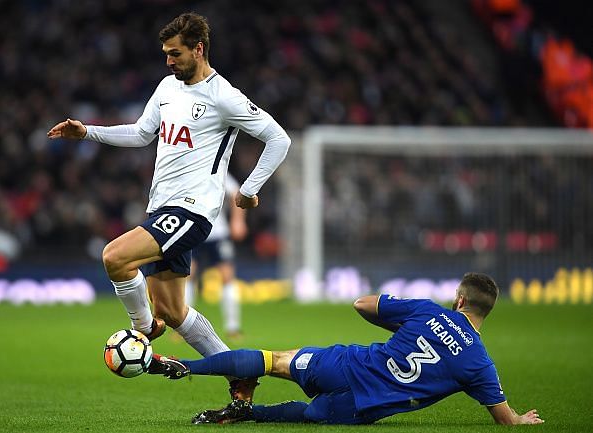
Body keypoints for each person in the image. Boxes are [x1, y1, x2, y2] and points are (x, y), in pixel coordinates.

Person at [47, 12, 290, 403]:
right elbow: (142, 133)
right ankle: (239, 375)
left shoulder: (222, 94)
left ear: (198, 49)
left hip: (193, 209)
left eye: (175, 54)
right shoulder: (166, 87)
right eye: (165, 54)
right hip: (162, 208)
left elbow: (278, 138)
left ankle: (141, 328)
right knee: (174, 311)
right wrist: (88, 131)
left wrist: (247, 190)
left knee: (115, 257)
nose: (168, 61)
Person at [149, 273, 544, 426]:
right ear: (485, 312)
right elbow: (504, 419)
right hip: (359, 406)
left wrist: (393, 318)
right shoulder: (480, 365)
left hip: (343, 365)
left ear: (458, 299)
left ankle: (183, 366)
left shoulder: (426, 311)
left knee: (275, 360)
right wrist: (521, 420)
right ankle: (248, 414)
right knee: (308, 414)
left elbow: (362, 304)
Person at [185, 174, 247, 339]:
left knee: (227, 276)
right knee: (188, 275)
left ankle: (233, 327)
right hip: (192, 231)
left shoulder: (218, 168)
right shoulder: (189, 169)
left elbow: (236, 192)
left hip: (218, 233)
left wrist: (237, 220)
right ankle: (182, 327)